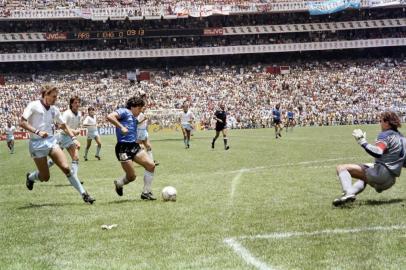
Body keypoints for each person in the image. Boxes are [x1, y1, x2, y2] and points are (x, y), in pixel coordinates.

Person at [20, 85, 95, 204]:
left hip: (51, 141)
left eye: (56, 97)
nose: (56, 99)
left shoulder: (54, 109)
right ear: (46, 95)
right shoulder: (33, 105)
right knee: (45, 177)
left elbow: (64, 125)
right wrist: (37, 132)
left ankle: (84, 195)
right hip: (36, 144)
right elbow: (22, 122)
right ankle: (30, 177)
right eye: (54, 96)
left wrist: (73, 138)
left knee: (66, 168)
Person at [333, 111, 405, 206]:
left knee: (341, 168)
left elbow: (378, 152)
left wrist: (362, 142)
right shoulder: (403, 139)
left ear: (387, 123)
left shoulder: (385, 134)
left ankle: (348, 193)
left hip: (380, 174)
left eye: (381, 120)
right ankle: (349, 194)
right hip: (391, 181)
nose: (380, 123)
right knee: (363, 176)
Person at [107, 96, 156, 200]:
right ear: (133, 107)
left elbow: (132, 126)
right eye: (139, 108)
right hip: (123, 148)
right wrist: (121, 127)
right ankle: (119, 183)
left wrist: (141, 121)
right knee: (132, 177)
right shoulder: (124, 111)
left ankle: (146, 192)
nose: (140, 111)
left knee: (151, 165)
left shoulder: (134, 118)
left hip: (133, 145)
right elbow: (110, 116)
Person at [57, 96, 84, 183]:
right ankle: (35, 174)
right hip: (63, 136)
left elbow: (77, 126)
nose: (77, 104)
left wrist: (78, 130)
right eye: (75, 102)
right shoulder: (67, 113)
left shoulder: (79, 114)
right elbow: (61, 126)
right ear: (71, 104)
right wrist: (73, 132)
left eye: (78, 102)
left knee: (75, 157)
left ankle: (74, 178)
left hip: (69, 137)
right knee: (55, 159)